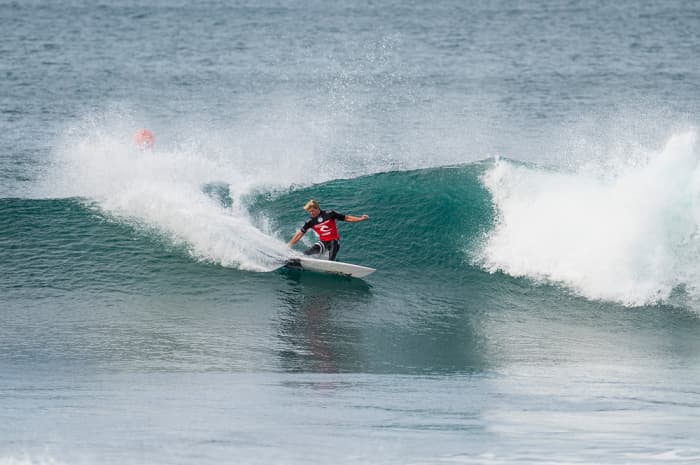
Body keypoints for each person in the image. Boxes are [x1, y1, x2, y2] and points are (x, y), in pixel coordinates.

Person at [288, 199, 369, 261]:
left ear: (317, 208)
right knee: (305, 254)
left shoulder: (329, 214)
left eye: (312, 211)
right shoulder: (310, 221)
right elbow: (299, 234)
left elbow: (346, 218)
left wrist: (360, 219)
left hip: (334, 241)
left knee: (331, 257)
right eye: (309, 212)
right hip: (323, 242)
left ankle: (331, 263)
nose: (311, 213)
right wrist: (289, 245)